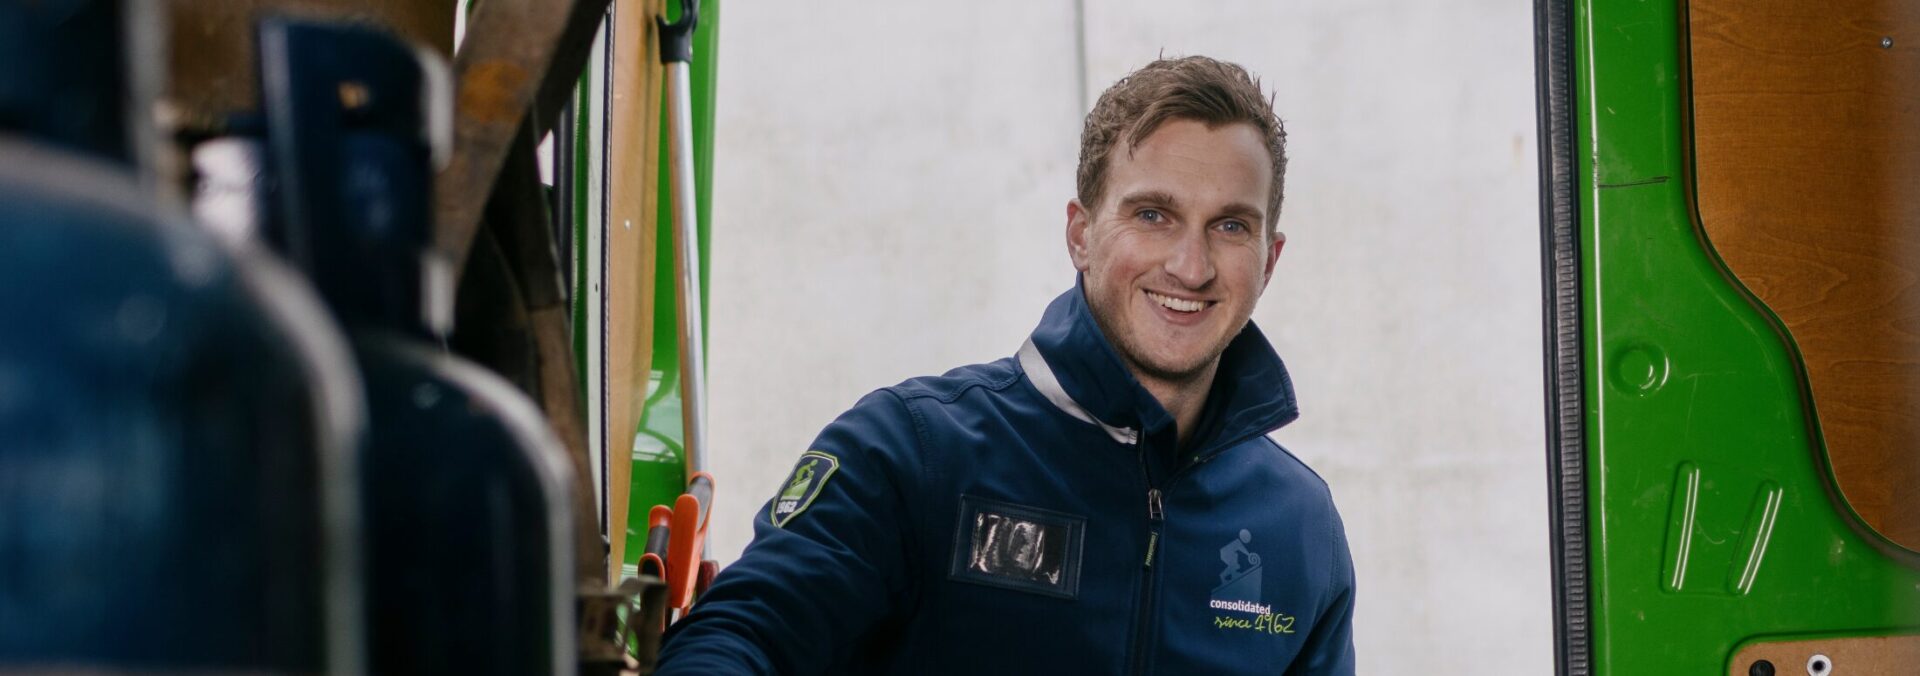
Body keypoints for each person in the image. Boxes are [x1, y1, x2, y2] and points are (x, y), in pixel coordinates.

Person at [656, 55, 1355, 675]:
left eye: (1230, 226)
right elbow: (739, 638)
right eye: (1153, 215)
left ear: (1269, 259)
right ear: (1081, 234)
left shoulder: (1300, 526)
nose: (1191, 265)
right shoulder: (912, 452)